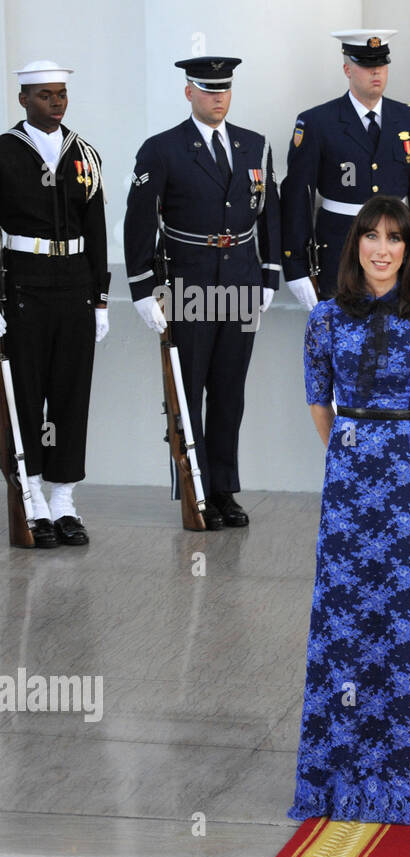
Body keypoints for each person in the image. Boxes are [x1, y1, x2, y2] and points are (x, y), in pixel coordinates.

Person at [289, 196, 410, 824]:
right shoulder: (326, 319)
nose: (382, 249)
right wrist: (351, 452)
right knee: (348, 621)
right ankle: (343, 771)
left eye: (395, 238)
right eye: (371, 237)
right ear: (355, 245)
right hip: (348, 482)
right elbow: (318, 402)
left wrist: (407, 448)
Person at [124, 57, 280, 530]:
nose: (218, 98)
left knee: (229, 391)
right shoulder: (163, 149)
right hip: (187, 284)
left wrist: (269, 275)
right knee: (187, 390)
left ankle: (224, 489)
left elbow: (268, 212)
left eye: (224, 90)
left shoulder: (254, 145)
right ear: (188, 92)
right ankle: (193, 487)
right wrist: (141, 289)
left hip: (241, 281)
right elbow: (139, 220)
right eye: (208, 90)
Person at [0, 60, 109, 547]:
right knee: (26, 394)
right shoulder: (4, 153)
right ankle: (31, 497)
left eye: (61, 94)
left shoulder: (84, 153)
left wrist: (101, 299)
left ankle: (63, 499)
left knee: (70, 394)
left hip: (74, 286)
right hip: (24, 285)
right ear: (23, 99)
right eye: (45, 95)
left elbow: (98, 230)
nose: (56, 102)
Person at [282, 29, 410, 308]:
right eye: (366, 65)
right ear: (347, 69)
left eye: (381, 64)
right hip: (340, 253)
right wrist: (296, 267)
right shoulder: (318, 122)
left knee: (397, 343)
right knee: (345, 343)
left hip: (395, 254)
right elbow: (297, 198)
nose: (375, 72)